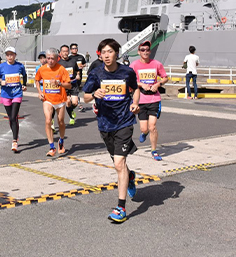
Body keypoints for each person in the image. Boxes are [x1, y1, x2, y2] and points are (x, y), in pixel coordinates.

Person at [83, 38, 140, 223]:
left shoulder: (127, 72)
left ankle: (121, 208)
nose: (106, 55)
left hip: (124, 121)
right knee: (119, 164)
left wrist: (135, 103)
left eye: (110, 51)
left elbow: (136, 89)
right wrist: (93, 94)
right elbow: (84, 97)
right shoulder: (96, 73)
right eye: (103, 52)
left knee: (118, 164)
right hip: (105, 124)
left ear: (116, 53)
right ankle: (130, 176)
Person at [129, 40, 169, 161]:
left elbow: (165, 77)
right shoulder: (134, 65)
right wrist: (141, 84)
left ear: (150, 51)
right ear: (138, 52)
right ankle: (144, 133)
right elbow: (130, 80)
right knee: (144, 128)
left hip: (154, 98)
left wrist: (158, 84)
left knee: (152, 127)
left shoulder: (156, 64)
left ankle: (154, 150)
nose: (145, 52)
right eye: (142, 50)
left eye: (147, 50)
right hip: (141, 99)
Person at [35, 48, 71, 157]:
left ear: (57, 58)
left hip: (60, 99)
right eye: (48, 58)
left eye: (53, 59)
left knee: (60, 122)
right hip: (47, 99)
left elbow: (69, 85)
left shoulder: (61, 69)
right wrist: (40, 92)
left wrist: (59, 83)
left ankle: (61, 140)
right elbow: (37, 80)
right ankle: (51, 147)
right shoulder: (42, 69)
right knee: (48, 120)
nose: (50, 61)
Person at [0, 47, 27, 152]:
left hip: (17, 94)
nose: (10, 56)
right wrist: (1, 82)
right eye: (8, 55)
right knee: (11, 118)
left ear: (15, 55)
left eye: (12, 54)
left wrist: (24, 85)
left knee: (14, 116)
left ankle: (14, 141)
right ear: (6, 56)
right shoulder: (1, 67)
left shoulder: (19, 66)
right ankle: (15, 134)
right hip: (5, 94)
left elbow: (25, 75)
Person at [58, 45, 81, 125]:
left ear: (69, 52)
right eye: (63, 51)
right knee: (68, 102)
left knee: (75, 103)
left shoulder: (73, 61)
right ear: (60, 53)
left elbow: (77, 70)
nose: (65, 53)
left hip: (73, 84)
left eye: (66, 51)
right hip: (65, 85)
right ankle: (71, 117)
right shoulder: (59, 63)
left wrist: (78, 75)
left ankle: (71, 110)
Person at [69, 43, 87, 112]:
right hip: (72, 76)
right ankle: (77, 103)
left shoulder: (81, 57)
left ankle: (76, 101)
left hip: (79, 75)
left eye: (76, 48)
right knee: (73, 90)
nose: (75, 49)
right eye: (73, 48)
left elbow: (84, 63)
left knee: (77, 90)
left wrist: (83, 66)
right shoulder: (69, 58)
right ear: (71, 50)